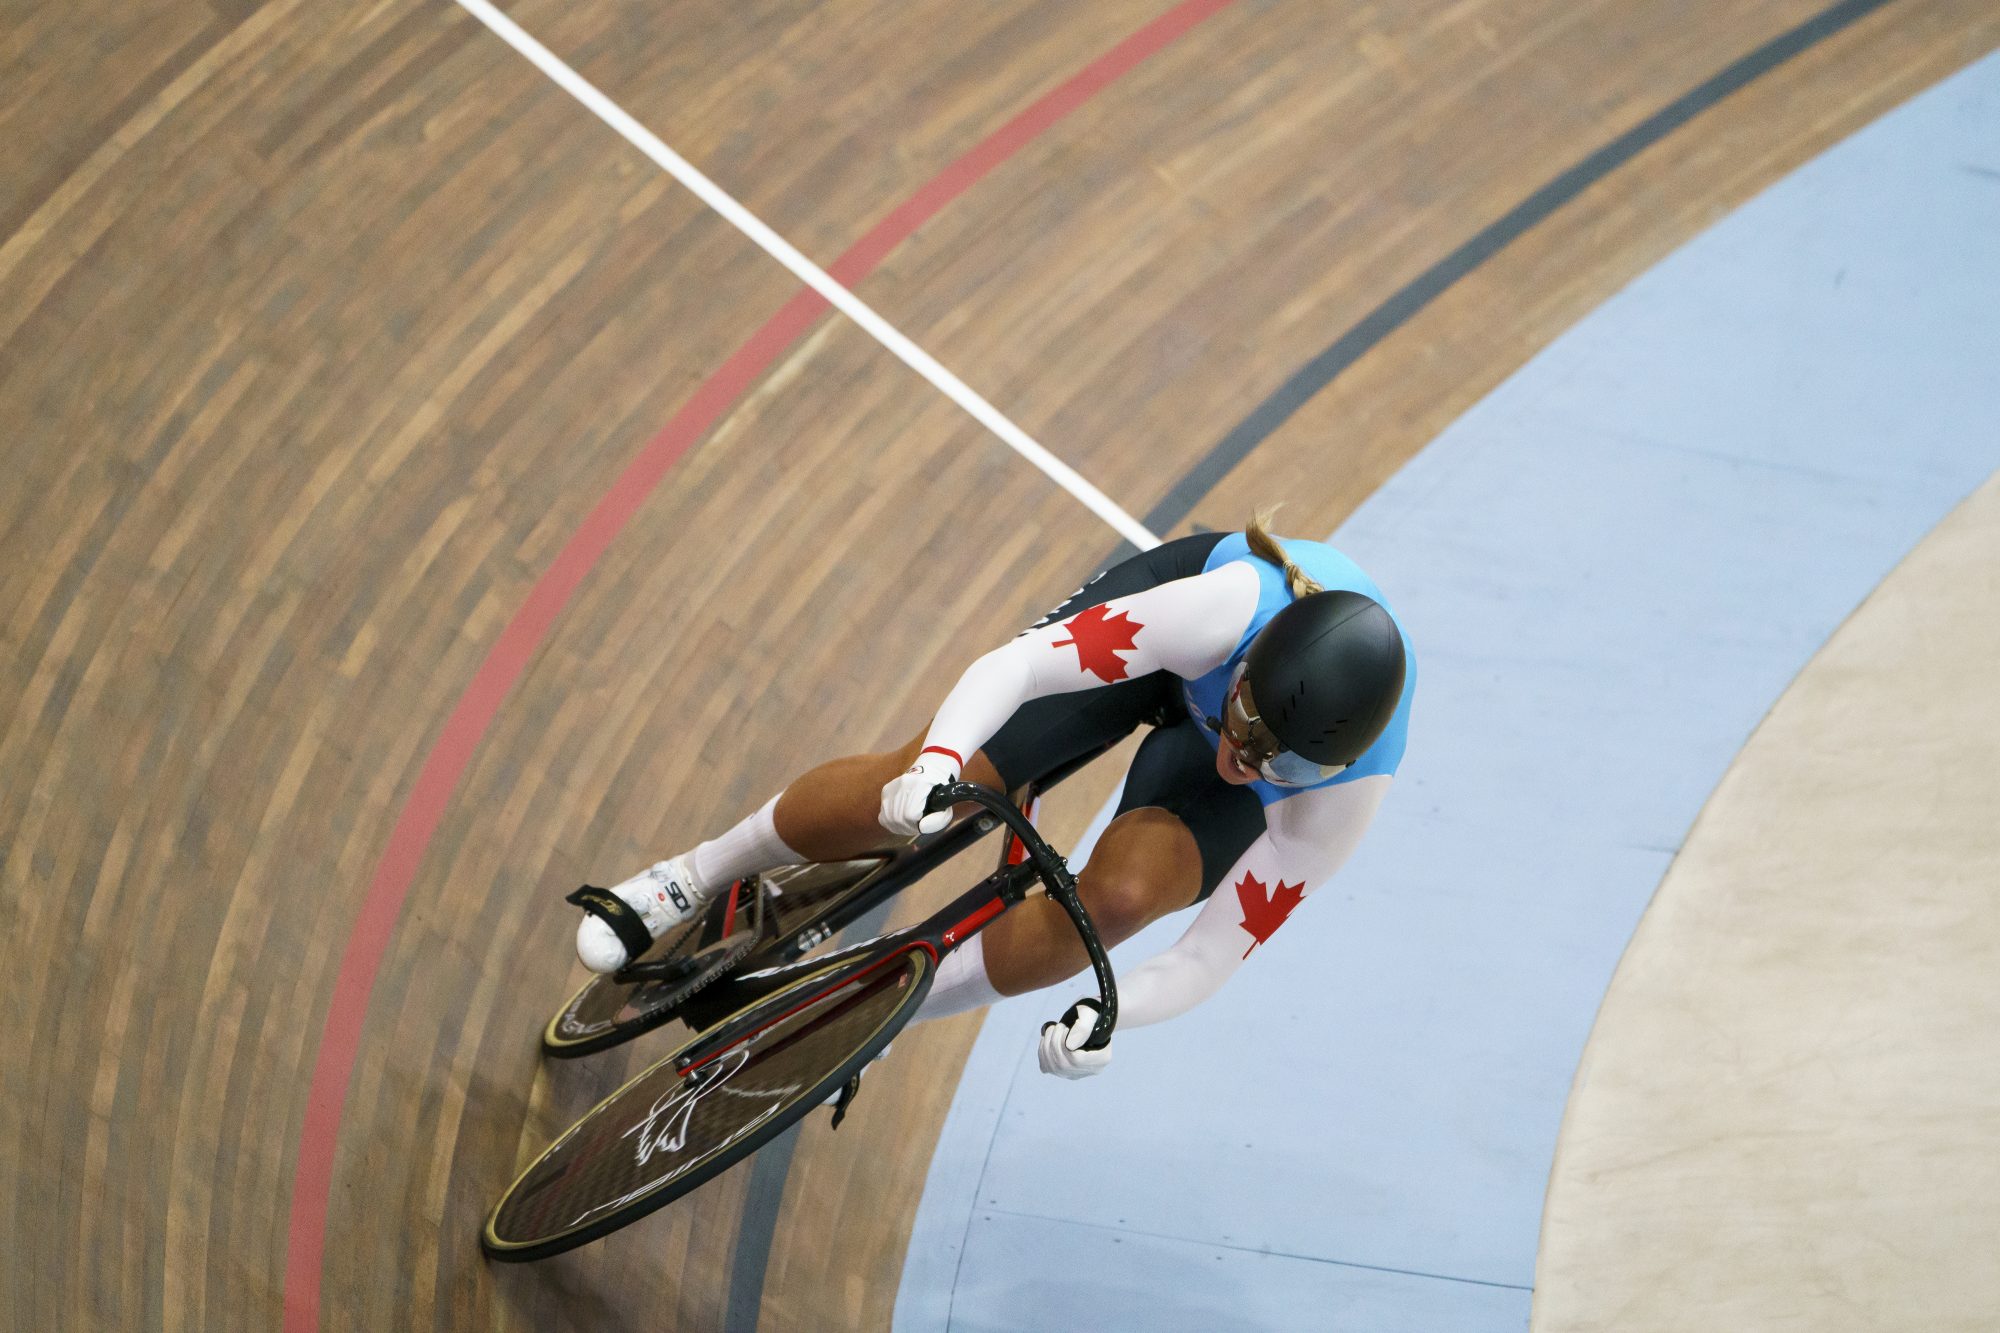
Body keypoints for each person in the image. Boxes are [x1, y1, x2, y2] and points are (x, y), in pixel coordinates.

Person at [572, 513, 1414, 1078]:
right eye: (1244, 722)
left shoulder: (1342, 799)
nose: (1241, 764)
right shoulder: (1218, 610)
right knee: (945, 785)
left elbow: (1207, 955)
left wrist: (1117, 1017)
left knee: (1120, 900)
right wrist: (936, 758)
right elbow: (1019, 667)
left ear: (1326, 769)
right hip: (1166, 656)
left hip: (1239, 715)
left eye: (1281, 767)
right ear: (1249, 663)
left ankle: (873, 1016)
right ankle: (692, 873)